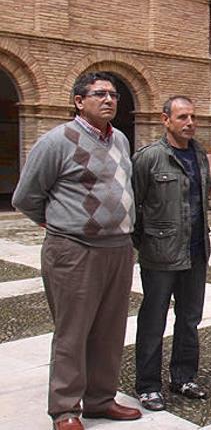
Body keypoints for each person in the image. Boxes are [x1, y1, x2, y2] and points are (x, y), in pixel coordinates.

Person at [12, 72, 142, 430]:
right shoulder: (57, 141)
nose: (109, 100)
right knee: (73, 331)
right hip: (75, 250)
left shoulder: (120, 140)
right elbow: (25, 197)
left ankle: (101, 399)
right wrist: (59, 222)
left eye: (113, 94)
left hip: (118, 248)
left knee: (110, 329)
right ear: (78, 101)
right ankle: (66, 409)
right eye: (99, 94)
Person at [132, 96, 211, 411]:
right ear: (165, 120)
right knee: (153, 320)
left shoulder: (200, 155)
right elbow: (134, 207)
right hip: (160, 254)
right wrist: (149, 241)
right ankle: (148, 385)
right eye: (182, 117)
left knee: (190, 318)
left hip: (195, 252)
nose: (190, 123)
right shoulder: (149, 158)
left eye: (192, 117)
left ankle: (184, 376)